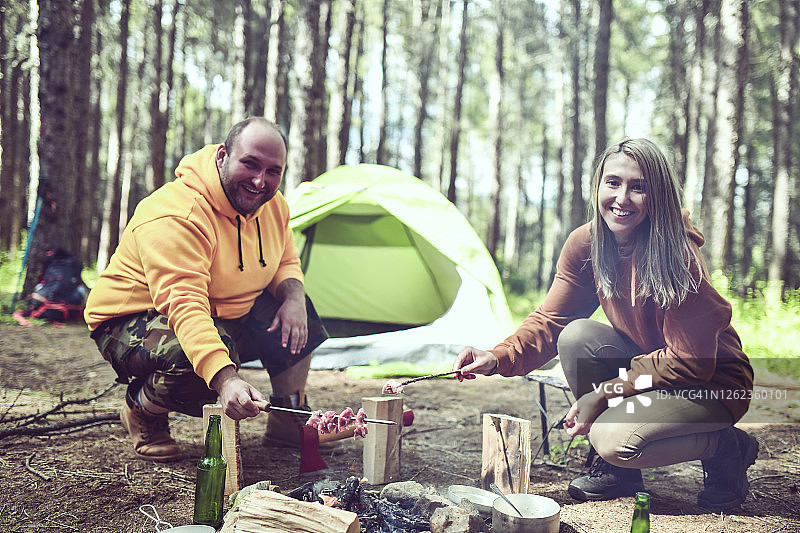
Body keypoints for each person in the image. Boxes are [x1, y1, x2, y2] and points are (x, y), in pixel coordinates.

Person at [452, 138, 758, 511]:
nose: (622, 198)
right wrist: (498, 356)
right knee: (576, 336)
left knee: (612, 438)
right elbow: (552, 320)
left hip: (711, 384)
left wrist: (603, 394)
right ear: (598, 185)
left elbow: (690, 363)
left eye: (638, 187)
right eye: (613, 183)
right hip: (654, 369)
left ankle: (726, 446)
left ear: (658, 195)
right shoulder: (587, 243)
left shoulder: (677, 255)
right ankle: (620, 474)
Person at [85, 117, 332, 462]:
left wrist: (293, 297)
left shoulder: (273, 205)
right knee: (201, 363)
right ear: (222, 156)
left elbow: (285, 261)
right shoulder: (177, 213)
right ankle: (142, 408)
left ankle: (287, 417)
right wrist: (226, 379)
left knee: (298, 307)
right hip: (132, 319)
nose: (260, 181)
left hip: (221, 310)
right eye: (250, 164)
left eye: (273, 171)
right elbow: (185, 304)